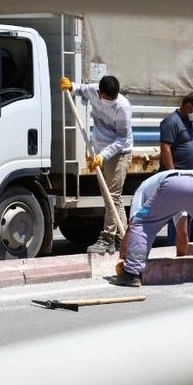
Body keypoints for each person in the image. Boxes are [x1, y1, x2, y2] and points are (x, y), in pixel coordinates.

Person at [112, 169, 193, 287]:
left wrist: (122, 258)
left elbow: (133, 225)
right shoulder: (173, 191)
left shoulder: (141, 191)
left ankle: (131, 274)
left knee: (141, 224)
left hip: (173, 185)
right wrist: (182, 260)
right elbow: (182, 230)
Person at [60, 75, 133, 254]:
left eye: (113, 98)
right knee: (112, 199)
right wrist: (70, 86)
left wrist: (103, 156)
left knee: (112, 197)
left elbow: (122, 139)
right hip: (100, 151)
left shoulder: (122, 106)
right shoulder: (93, 90)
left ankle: (107, 238)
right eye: (107, 98)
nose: (110, 101)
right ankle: (123, 238)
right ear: (100, 93)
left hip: (118, 153)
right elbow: (80, 89)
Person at [160, 92, 193, 255]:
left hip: (189, 177)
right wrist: (172, 174)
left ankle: (186, 249)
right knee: (178, 217)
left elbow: (192, 144)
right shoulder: (171, 121)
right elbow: (165, 148)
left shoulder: (189, 122)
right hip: (177, 178)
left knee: (189, 216)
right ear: (188, 107)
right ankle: (175, 250)